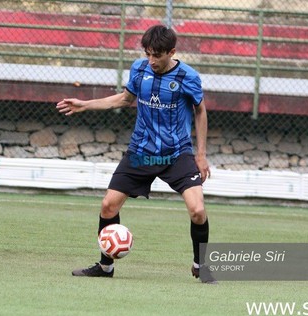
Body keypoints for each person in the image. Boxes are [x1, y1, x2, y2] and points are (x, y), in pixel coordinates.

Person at [56, 24, 214, 283]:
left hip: (177, 153)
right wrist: (86, 105)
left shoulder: (189, 76)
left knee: (197, 210)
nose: (151, 60)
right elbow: (124, 99)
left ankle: (201, 265)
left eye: (157, 55)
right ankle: (105, 267)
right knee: (108, 206)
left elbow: (200, 111)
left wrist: (201, 154)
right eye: (148, 53)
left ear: (171, 52)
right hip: (142, 151)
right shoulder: (139, 69)